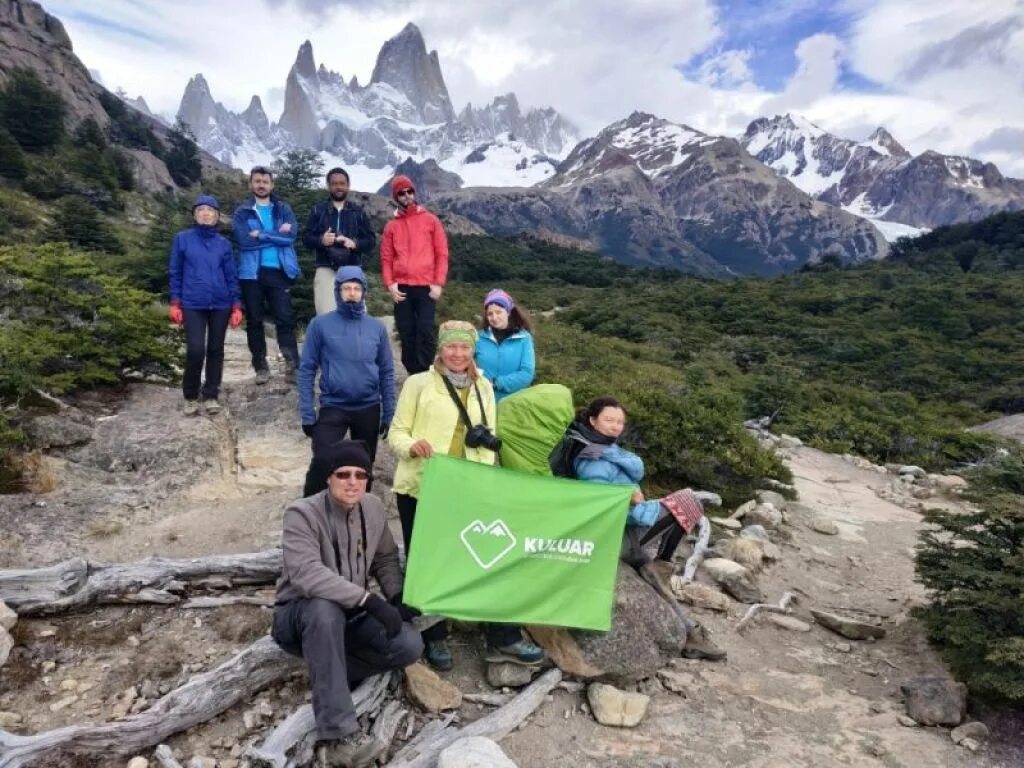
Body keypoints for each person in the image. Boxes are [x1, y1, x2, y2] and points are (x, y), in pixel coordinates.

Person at [388, 320, 543, 670]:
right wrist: (412, 445)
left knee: (485, 557)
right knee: (426, 563)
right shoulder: (418, 384)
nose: (457, 354)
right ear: (441, 348)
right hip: (422, 487)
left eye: (464, 347)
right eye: (451, 347)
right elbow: (395, 432)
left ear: (473, 350)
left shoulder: (484, 386)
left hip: (470, 488)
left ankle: (502, 636)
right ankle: (435, 636)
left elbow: (491, 433)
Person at [272, 440, 422, 768]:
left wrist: (395, 597)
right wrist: (370, 600)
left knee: (409, 644)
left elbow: (384, 557)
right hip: (299, 615)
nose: (352, 481)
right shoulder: (301, 514)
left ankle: (328, 667)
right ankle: (337, 736)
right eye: (343, 474)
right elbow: (306, 576)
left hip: (350, 614)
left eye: (360, 474)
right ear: (329, 477)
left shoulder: (372, 507)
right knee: (324, 610)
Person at [568, 397, 727, 661]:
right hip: (618, 533)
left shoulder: (606, 449)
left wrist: (637, 500)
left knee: (653, 575)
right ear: (592, 420)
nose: (615, 426)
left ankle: (690, 632)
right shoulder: (592, 458)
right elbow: (599, 502)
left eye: (620, 422)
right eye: (609, 420)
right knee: (689, 501)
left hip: (627, 525)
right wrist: (632, 501)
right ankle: (663, 563)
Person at [298, 265, 396, 496]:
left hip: (369, 406)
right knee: (323, 459)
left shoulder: (376, 327)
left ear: (363, 292)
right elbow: (307, 369)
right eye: (346, 288)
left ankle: (359, 514)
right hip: (334, 405)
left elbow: (386, 371)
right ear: (337, 291)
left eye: (356, 288)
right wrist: (307, 412)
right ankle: (310, 512)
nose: (352, 293)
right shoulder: (320, 325)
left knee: (363, 467)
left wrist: (389, 412)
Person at [168, 194, 242, 416]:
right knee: (196, 350)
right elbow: (175, 272)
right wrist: (175, 302)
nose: (205, 213)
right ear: (195, 215)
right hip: (192, 303)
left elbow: (231, 276)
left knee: (216, 350)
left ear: (217, 216)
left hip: (221, 304)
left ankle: (211, 394)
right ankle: (190, 395)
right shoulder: (182, 239)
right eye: (201, 210)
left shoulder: (224, 244)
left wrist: (237, 305)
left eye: (210, 210)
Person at [232, 166, 301, 384]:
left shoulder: (283, 209)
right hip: (251, 273)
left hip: (279, 270)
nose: (261, 185)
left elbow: (291, 237)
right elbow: (244, 241)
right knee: (254, 320)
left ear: (272, 185)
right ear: (251, 184)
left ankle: (293, 365)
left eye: (265, 181)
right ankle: (261, 366)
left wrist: (260, 234)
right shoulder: (242, 211)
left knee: (285, 318)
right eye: (257, 181)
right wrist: (275, 235)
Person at [380, 175, 449, 375]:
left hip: (426, 286)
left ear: (414, 192)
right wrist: (390, 284)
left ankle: (427, 372)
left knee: (426, 329)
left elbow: (442, 254)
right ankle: (412, 373)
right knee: (406, 330)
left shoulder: (431, 220)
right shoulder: (391, 226)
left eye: (409, 191)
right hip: (401, 286)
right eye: (401, 193)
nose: (407, 196)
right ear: (396, 196)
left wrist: (438, 283)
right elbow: (386, 258)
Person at [301, 167, 376, 316]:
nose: (338, 187)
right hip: (325, 268)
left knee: (355, 314)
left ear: (348, 185)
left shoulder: (358, 212)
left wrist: (355, 243)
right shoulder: (318, 210)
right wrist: (321, 240)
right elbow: (305, 238)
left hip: (352, 269)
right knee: (325, 315)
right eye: (334, 183)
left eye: (342, 183)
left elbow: (371, 240)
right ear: (328, 186)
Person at [474, 289, 535, 402]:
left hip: (514, 402)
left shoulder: (524, 338)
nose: (494, 318)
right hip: (482, 401)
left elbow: (527, 373)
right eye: (490, 314)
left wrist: (496, 383)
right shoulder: (478, 337)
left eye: (498, 312)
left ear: (508, 312)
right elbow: (464, 361)